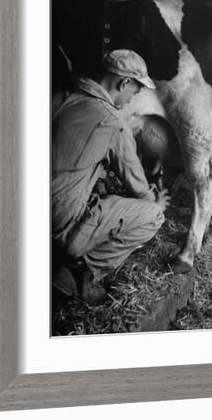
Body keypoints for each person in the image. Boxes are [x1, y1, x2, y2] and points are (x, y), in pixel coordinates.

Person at [51, 49, 170, 305]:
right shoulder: (111, 120)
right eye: (135, 92)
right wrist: (154, 202)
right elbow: (137, 184)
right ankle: (80, 273)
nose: (130, 101)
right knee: (154, 216)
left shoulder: (61, 98)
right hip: (59, 229)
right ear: (124, 82)